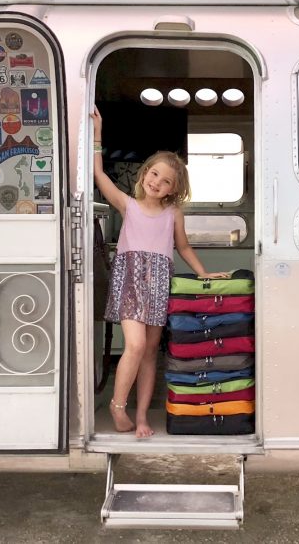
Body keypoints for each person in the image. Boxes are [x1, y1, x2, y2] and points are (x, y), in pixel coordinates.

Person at [91, 106, 228, 438]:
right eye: (154, 174)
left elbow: (183, 248)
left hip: (157, 282)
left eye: (166, 181)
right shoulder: (128, 204)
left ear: (172, 189)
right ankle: (117, 406)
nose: (157, 182)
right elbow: (99, 174)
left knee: (151, 351)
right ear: (145, 173)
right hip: (130, 279)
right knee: (135, 345)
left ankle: (141, 417)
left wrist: (204, 274)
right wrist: (98, 133)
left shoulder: (173, 214)